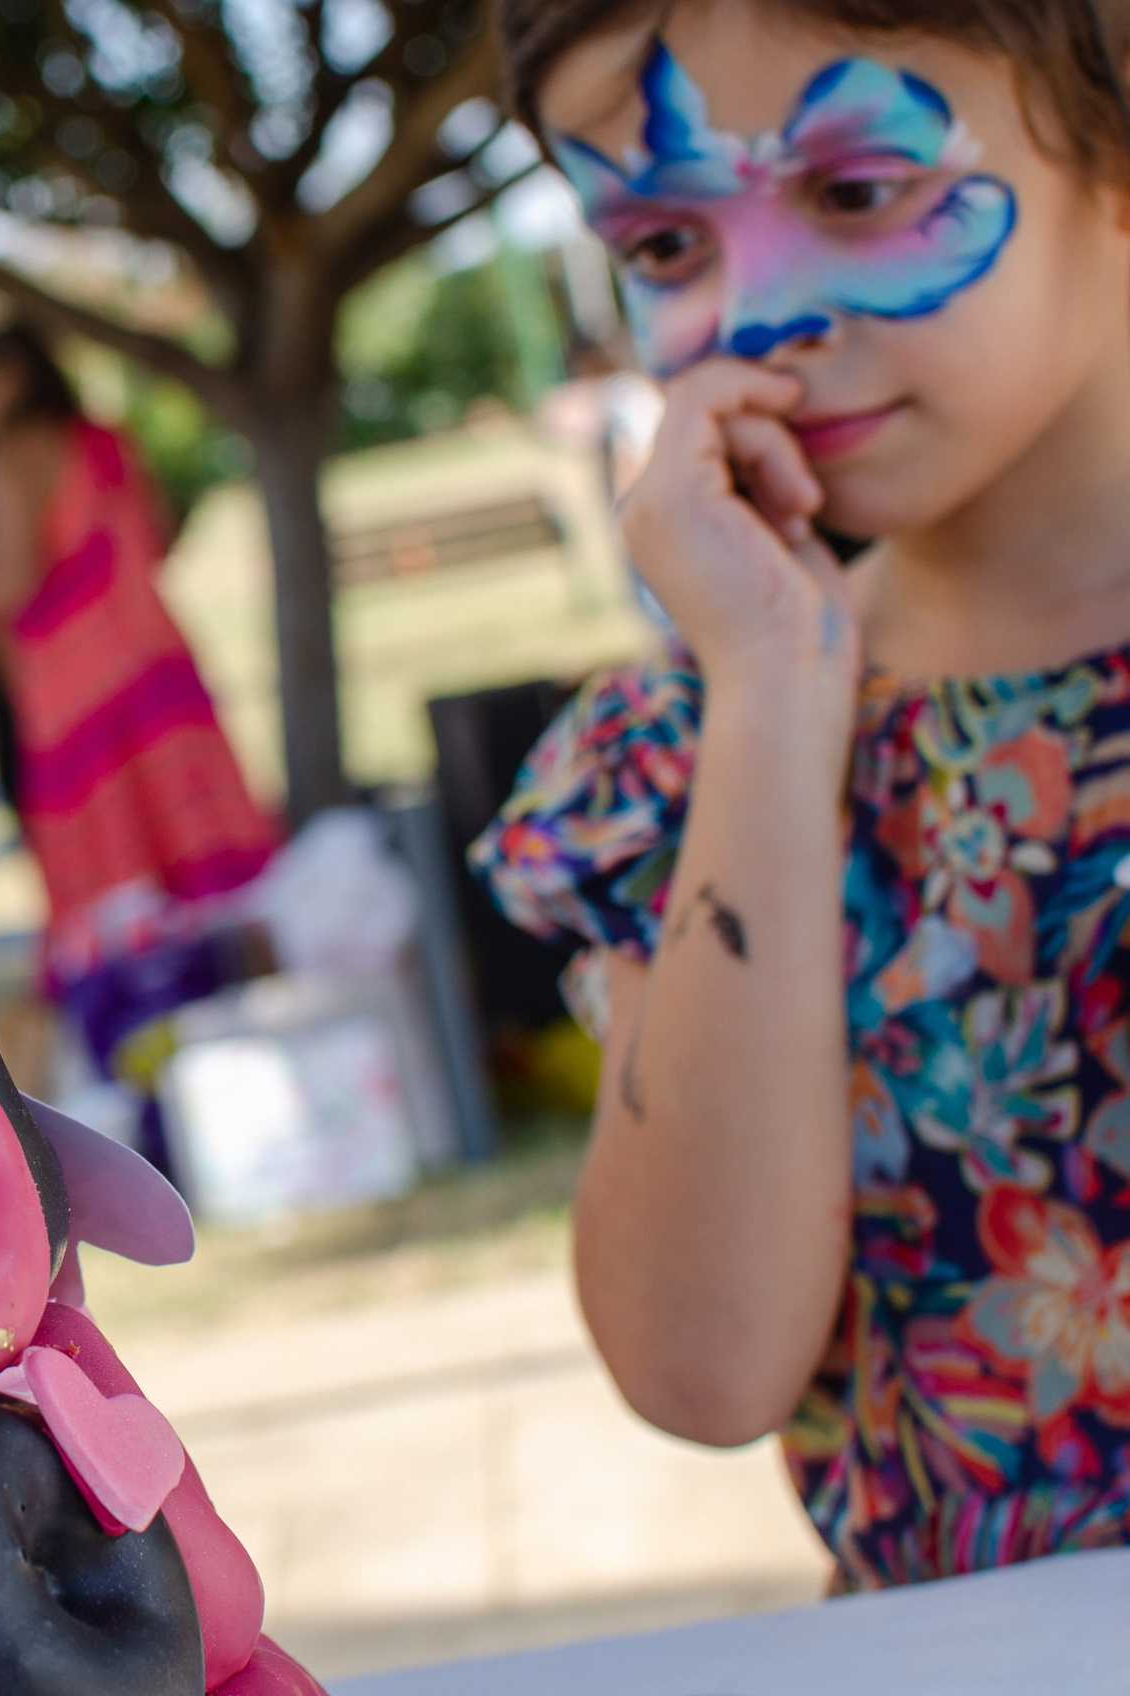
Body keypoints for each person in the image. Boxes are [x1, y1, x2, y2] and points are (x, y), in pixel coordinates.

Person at [473, 0, 1130, 1588]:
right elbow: (702, 1367)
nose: (757, 320)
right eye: (665, 244)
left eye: (855, 191)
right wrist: (774, 690)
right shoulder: (692, 746)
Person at [0, 328, 276, 1015]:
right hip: (155, 659)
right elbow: (156, 535)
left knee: (124, 906)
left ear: (8, 378)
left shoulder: (14, 454)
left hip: (75, 694)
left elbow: (12, 581)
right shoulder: (104, 438)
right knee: (209, 870)